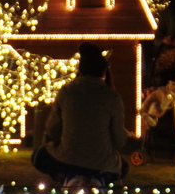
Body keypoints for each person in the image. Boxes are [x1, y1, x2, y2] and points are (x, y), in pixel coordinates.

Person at [32, 43, 128, 185]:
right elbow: (120, 140)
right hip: (101, 162)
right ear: (103, 71)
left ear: (80, 68)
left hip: (68, 159)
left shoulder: (67, 91)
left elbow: (52, 128)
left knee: (38, 156)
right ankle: (99, 178)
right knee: (124, 167)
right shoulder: (112, 97)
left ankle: (66, 177)